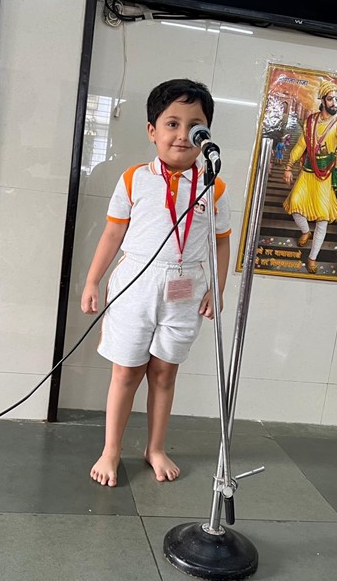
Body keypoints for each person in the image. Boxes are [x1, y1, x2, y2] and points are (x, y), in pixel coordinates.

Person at [81, 79, 231, 487]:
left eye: (195, 126)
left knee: (165, 372)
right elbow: (112, 233)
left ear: (206, 133)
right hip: (136, 286)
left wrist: (217, 289)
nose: (183, 135)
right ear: (152, 130)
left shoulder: (214, 186)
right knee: (126, 371)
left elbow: (220, 242)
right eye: (172, 124)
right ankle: (111, 450)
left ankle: (155, 447)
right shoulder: (134, 179)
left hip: (186, 288)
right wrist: (93, 281)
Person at [283, 80, 337, 274]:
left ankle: (312, 258)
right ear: (323, 101)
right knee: (295, 205)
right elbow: (301, 145)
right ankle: (305, 232)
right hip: (307, 173)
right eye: (331, 99)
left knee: (323, 219)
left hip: (325, 176)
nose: (335, 103)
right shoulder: (311, 121)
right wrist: (289, 166)